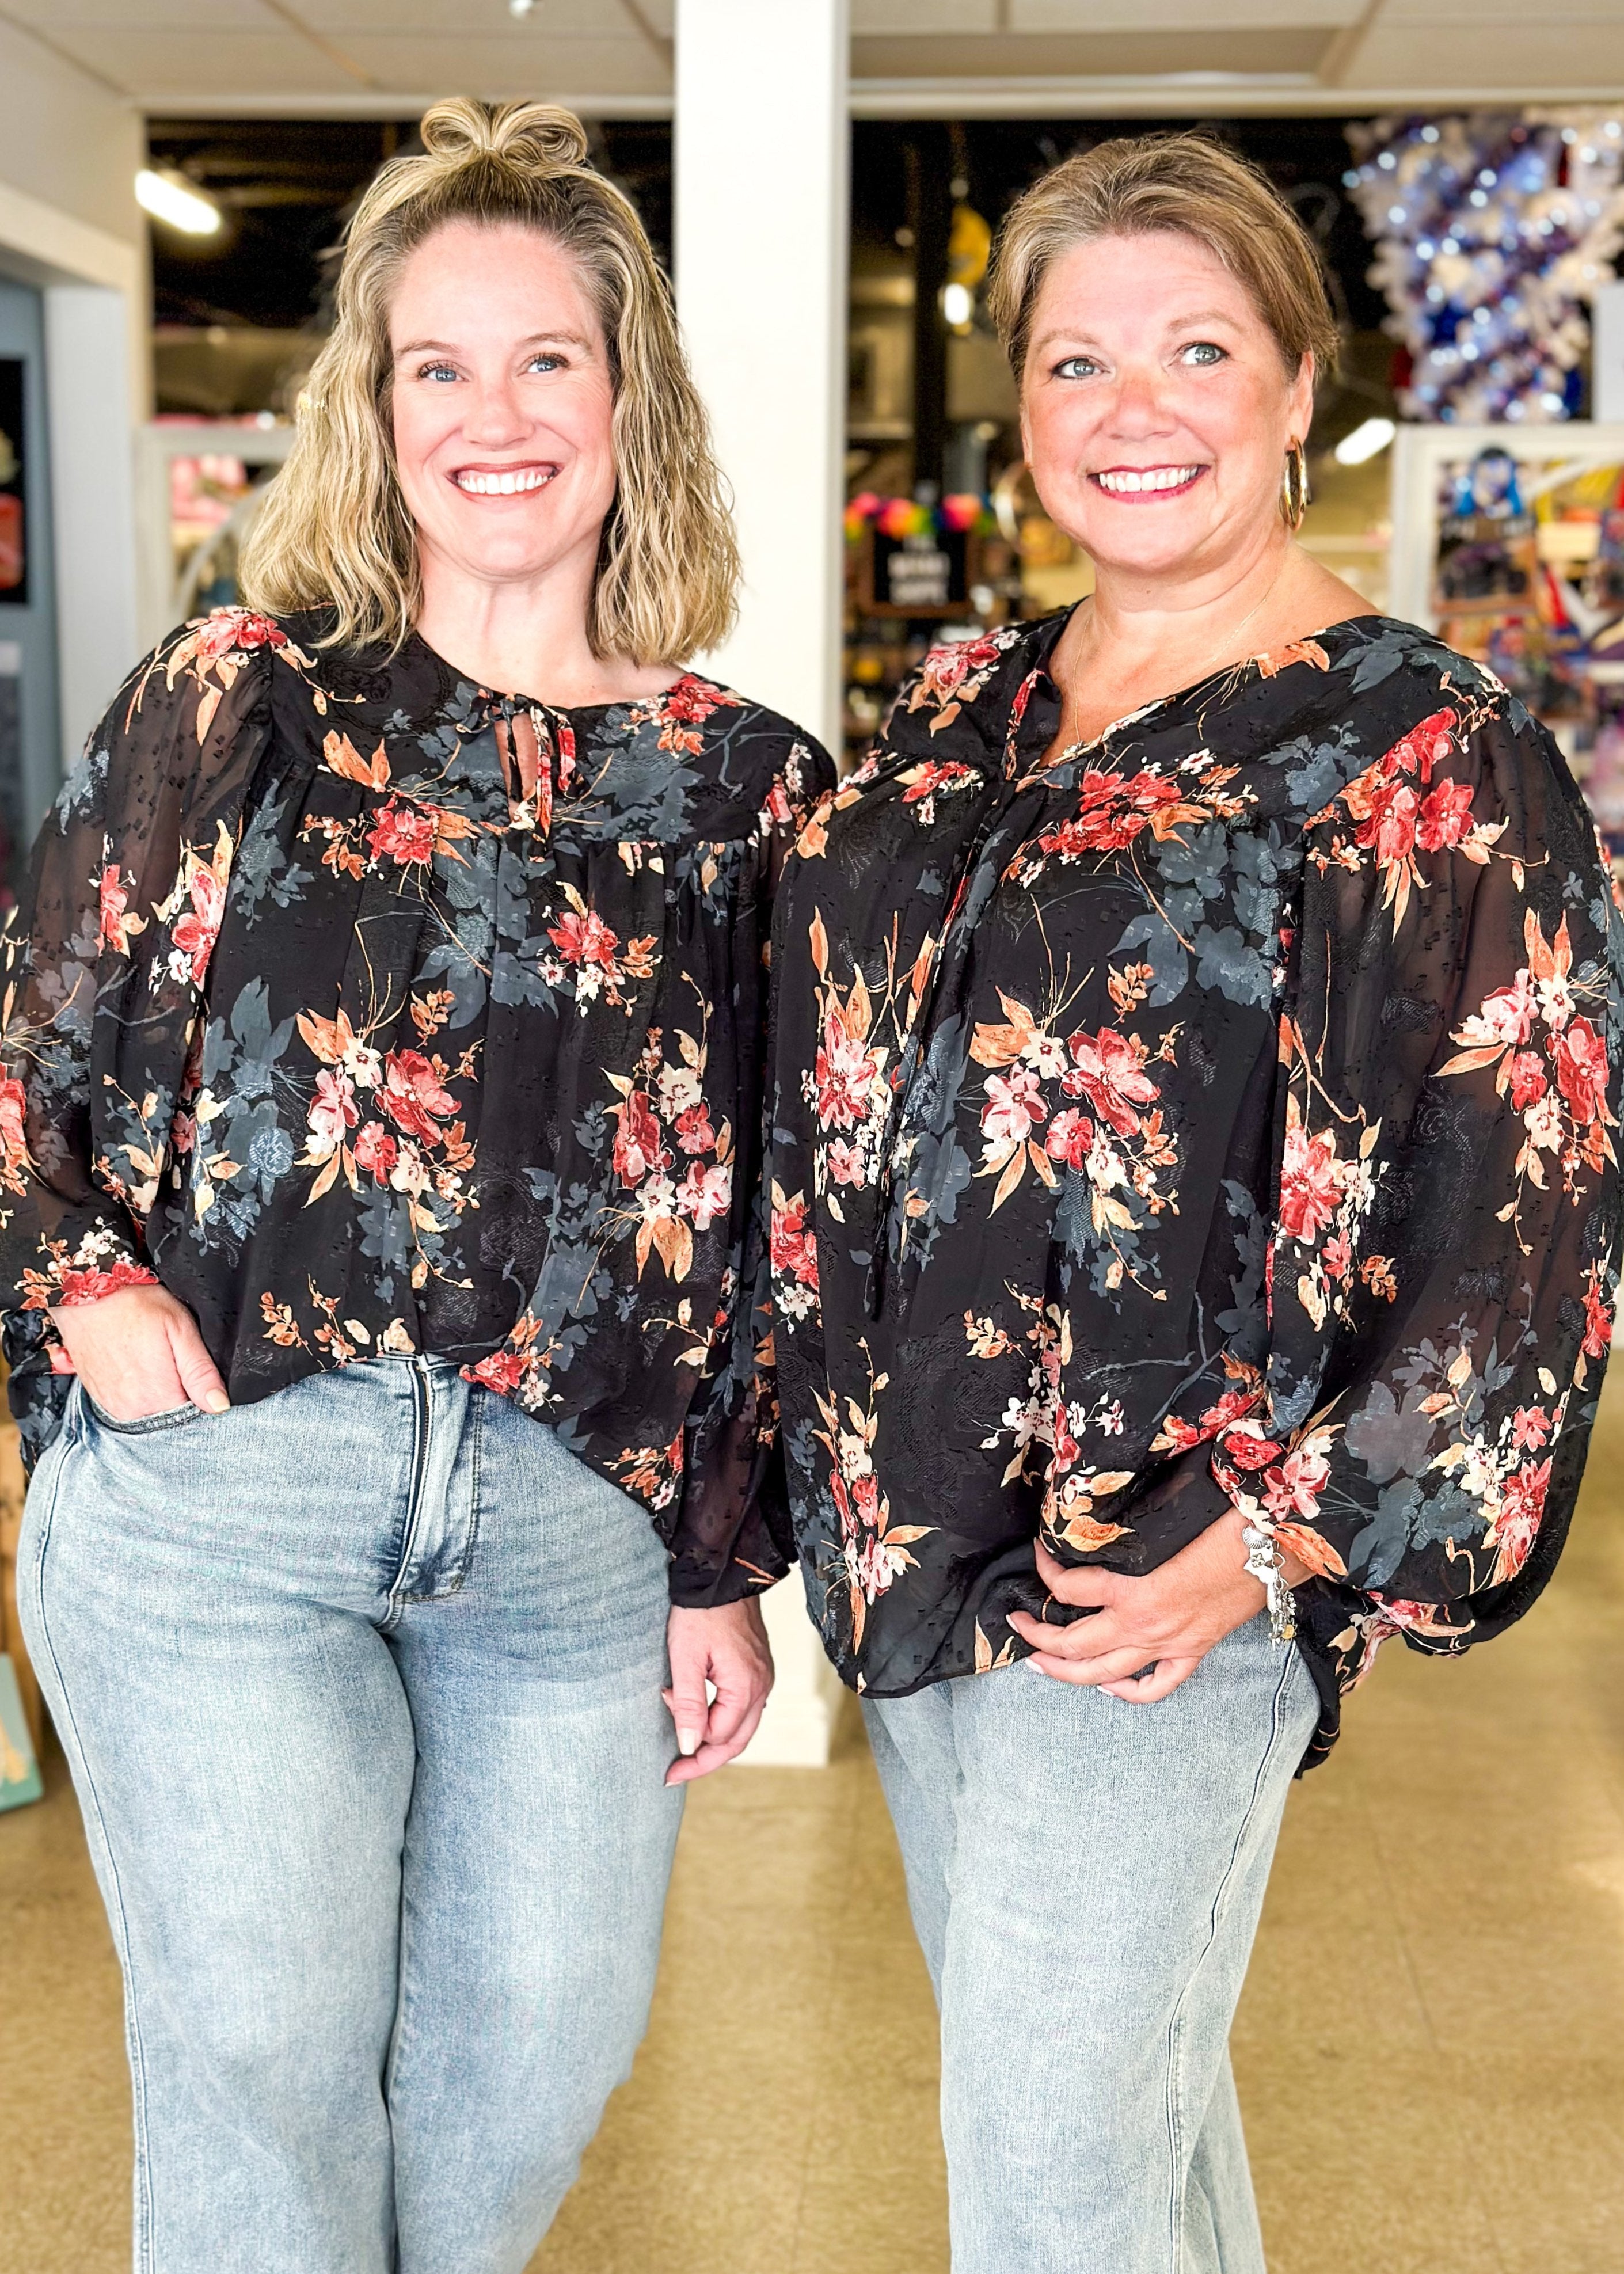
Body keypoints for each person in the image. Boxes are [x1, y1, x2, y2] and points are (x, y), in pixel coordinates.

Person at [769, 132, 1623, 2273]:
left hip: (1159, 1566)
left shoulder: (1428, 743)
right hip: (919, 1537)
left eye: (1195, 349)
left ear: (1300, 389)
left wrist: (1272, 1546)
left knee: (1053, 2181)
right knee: (1119, 2142)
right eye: (1075, 362)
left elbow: (1529, 1212)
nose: (1130, 408)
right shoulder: (959, 701)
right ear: (1021, 407)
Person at [5, 100, 831, 2274]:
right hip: (228, 1500)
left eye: (547, 358)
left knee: (533, 2066)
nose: (493, 414)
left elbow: (763, 1220)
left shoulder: (753, 785)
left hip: (571, 1536)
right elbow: (32, 1046)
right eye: (434, 367)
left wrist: (718, 1561)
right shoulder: (239, 699)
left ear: (628, 397)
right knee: (266, 2077)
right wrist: (81, 1277)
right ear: (370, 418)